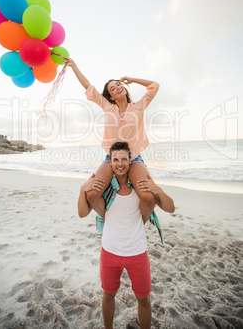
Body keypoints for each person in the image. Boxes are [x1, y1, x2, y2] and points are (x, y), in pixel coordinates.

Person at [78, 141, 175, 329]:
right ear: (110, 163)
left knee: (144, 299)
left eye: (123, 158)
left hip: (137, 254)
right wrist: (82, 189)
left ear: (131, 161)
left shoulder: (142, 189)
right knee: (108, 295)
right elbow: (82, 213)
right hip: (110, 253)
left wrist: (158, 190)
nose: (120, 163)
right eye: (115, 159)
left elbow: (171, 208)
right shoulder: (105, 192)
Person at [65, 57, 160, 223]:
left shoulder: (139, 106)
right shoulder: (107, 106)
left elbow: (154, 86)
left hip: (134, 157)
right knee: (92, 193)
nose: (118, 88)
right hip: (111, 158)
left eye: (119, 85)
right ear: (110, 96)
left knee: (147, 196)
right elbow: (88, 86)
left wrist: (132, 79)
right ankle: (110, 221)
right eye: (113, 89)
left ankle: (138, 224)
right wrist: (74, 66)